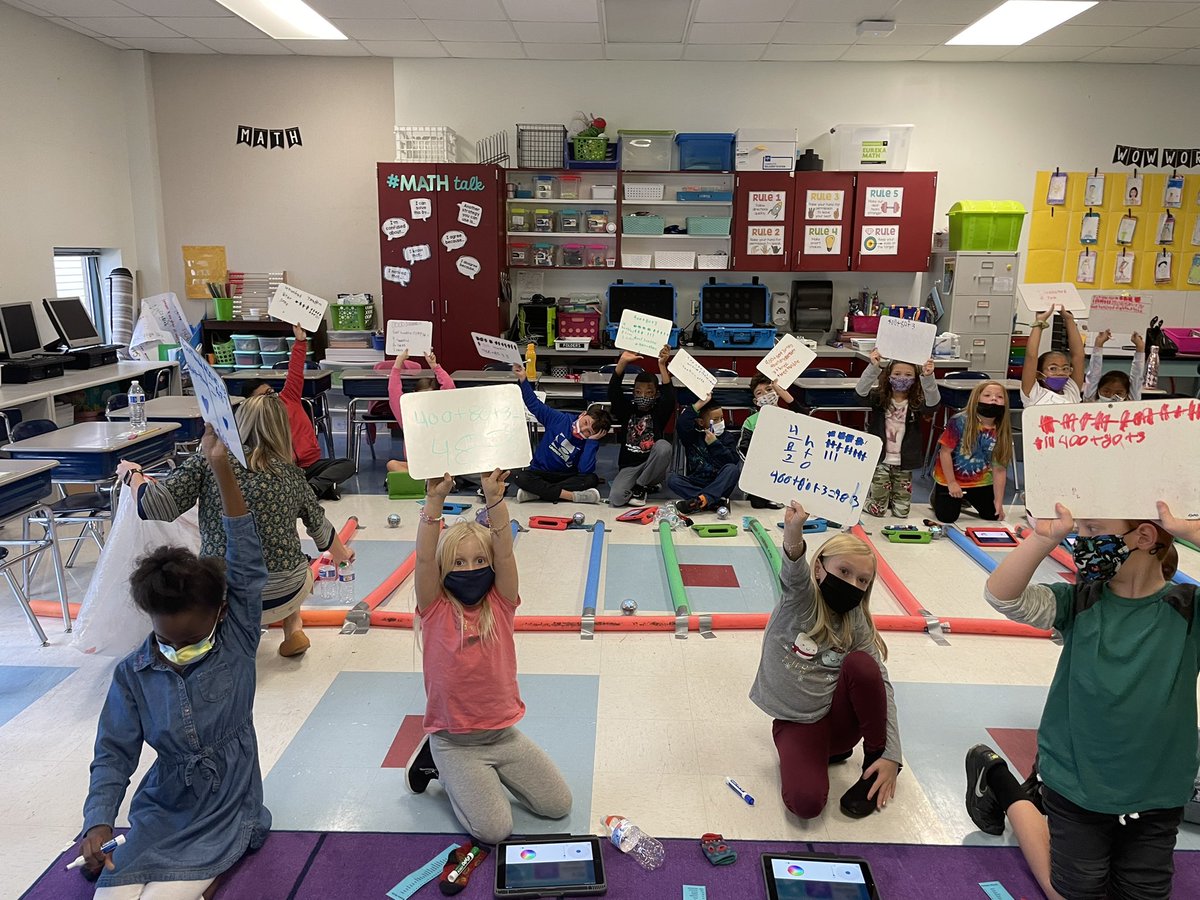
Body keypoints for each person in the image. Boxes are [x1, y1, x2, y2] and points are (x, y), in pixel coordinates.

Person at [965, 500, 1199, 900]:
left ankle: (1006, 784)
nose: (1080, 541)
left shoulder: (1187, 609)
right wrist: (1042, 538)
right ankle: (1002, 782)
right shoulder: (1080, 601)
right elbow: (1003, 596)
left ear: (1143, 537)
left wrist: (1193, 533)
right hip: (1075, 783)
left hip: (1157, 793)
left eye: (1092, 530)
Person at [79, 426, 271, 899]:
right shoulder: (133, 673)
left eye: (192, 636)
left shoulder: (237, 637)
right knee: (113, 894)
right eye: (168, 638)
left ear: (221, 614)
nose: (179, 647)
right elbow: (113, 752)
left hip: (229, 800)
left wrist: (221, 466)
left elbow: (245, 556)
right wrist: (98, 821)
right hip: (163, 804)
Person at [405, 469, 572, 844]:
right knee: (495, 832)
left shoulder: (501, 603)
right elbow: (425, 560)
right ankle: (437, 763)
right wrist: (434, 502)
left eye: (480, 561)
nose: (470, 569)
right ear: (447, 569)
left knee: (558, 805)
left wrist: (495, 500)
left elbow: (506, 551)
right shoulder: (434, 607)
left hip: (502, 736)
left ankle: (479, 777)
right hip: (454, 742)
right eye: (459, 563)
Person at [121, 393, 354, 658]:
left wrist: (133, 475)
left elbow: (153, 506)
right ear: (282, 429)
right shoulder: (292, 474)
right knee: (294, 560)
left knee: (220, 568)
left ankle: (222, 635)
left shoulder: (207, 462)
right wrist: (343, 556)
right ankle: (293, 629)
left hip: (224, 597)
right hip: (285, 593)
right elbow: (321, 530)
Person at [750, 501, 902, 821]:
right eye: (844, 571)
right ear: (819, 568)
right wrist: (793, 531)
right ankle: (820, 752)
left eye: (862, 580)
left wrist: (890, 755)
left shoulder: (855, 618)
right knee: (806, 804)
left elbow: (880, 683)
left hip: (839, 721)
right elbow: (793, 565)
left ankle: (871, 765)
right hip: (798, 722)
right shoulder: (800, 597)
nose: (852, 584)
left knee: (864, 665)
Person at [241, 324, 355, 501]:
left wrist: (300, 342)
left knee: (347, 465)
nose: (271, 397)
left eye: (271, 392)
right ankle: (318, 487)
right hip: (285, 467)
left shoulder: (289, 398)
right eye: (265, 395)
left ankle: (313, 487)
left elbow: (295, 372)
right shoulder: (258, 416)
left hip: (311, 464)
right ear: (254, 402)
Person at [855, 349, 940, 518]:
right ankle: (867, 500)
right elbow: (860, 393)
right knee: (878, 511)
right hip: (881, 460)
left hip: (905, 462)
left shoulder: (916, 403)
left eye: (908, 375)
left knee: (902, 513)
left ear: (915, 379)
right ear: (889, 376)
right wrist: (874, 367)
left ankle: (889, 499)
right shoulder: (880, 398)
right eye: (897, 374)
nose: (902, 378)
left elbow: (933, 404)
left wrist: (928, 377)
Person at [511, 363, 612, 504]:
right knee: (520, 477)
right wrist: (523, 379)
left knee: (591, 479)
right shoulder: (560, 419)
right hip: (540, 472)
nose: (583, 430)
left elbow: (584, 470)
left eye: (589, 432)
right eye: (585, 423)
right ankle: (571, 496)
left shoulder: (590, 441)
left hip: (565, 476)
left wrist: (591, 442)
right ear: (582, 415)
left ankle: (537, 493)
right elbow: (534, 405)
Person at [931, 381, 1012, 523]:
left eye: (999, 397)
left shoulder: (1001, 428)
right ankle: (937, 494)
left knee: (993, 515)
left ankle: (967, 498)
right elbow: (945, 453)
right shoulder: (959, 421)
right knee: (947, 518)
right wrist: (951, 483)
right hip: (951, 479)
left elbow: (999, 468)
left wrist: (999, 502)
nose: (994, 399)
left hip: (980, 481)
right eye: (987, 395)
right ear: (976, 399)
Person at [606, 346, 676, 508]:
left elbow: (669, 397)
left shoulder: (659, 411)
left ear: (656, 395)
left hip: (653, 465)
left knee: (664, 446)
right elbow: (614, 392)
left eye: (649, 393)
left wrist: (662, 365)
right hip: (630, 467)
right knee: (616, 498)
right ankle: (644, 485)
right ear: (633, 393)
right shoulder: (626, 410)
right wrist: (622, 363)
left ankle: (640, 486)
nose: (643, 396)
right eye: (638, 392)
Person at [384, 348, 456, 476]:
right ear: (414, 396)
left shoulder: (441, 412)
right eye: (421, 397)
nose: (425, 402)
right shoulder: (407, 414)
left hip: (439, 463)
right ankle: (425, 481)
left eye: (429, 398)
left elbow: (449, 388)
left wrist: (434, 366)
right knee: (392, 464)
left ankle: (425, 481)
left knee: (450, 471)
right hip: (416, 464)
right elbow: (393, 390)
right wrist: (398, 364)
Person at [737, 373, 801, 510]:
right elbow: (743, 448)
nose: (765, 394)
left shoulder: (790, 416)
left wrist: (782, 392)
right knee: (758, 504)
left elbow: (804, 416)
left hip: (788, 468)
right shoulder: (751, 422)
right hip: (762, 470)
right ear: (756, 401)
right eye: (759, 393)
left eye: (769, 390)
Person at [671, 394, 741, 515]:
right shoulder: (692, 436)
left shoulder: (727, 437)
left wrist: (715, 444)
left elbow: (732, 460)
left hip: (719, 483)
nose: (721, 422)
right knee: (672, 480)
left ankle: (700, 501)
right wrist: (700, 404)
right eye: (716, 419)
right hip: (696, 481)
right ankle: (711, 500)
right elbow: (682, 423)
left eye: (722, 418)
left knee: (732, 469)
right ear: (701, 422)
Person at [1020, 305, 1085, 407]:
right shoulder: (1034, 393)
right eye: (1053, 368)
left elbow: (1078, 356)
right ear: (1039, 374)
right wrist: (1040, 322)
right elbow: (1031, 356)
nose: (1060, 373)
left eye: (1065, 368)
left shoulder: (1071, 390)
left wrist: (1069, 319)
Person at [1083, 329, 1145, 402]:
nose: (1111, 396)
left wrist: (1140, 348)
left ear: (1127, 393)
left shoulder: (1131, 401)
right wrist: (1099, 343)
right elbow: (1093, 373)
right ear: (1098, 389)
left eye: (1118, 393)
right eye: (1106, 392)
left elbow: (1137, 377)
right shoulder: (1091, 399)